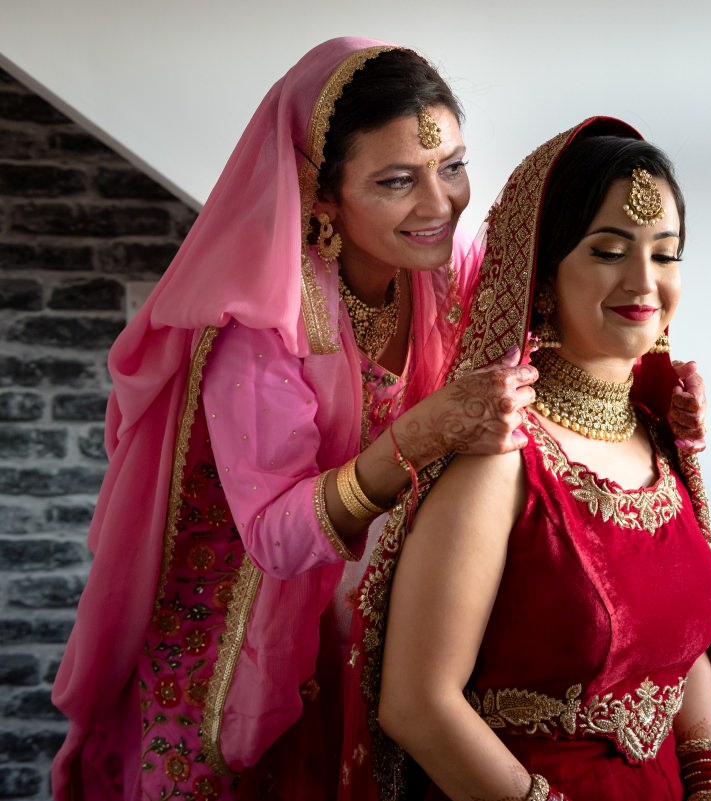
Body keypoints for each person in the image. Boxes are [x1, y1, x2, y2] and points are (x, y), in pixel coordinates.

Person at [49, 38, 543, 801]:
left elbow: (543, 350)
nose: (440, 203)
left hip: (357, 624)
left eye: (452, 166)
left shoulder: (441, 273)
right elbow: (277, 536)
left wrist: (655, 394)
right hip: (230, 651)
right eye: (397, 180)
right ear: (321, 192)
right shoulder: (262, 324)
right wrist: (421, 433)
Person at [340, 118, 711, 801]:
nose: (644, 281)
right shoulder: (500, 457)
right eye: (609, 250)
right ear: (543, 271)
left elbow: (680, 647)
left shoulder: (659, 435)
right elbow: (416, 704)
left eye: (665, 254)